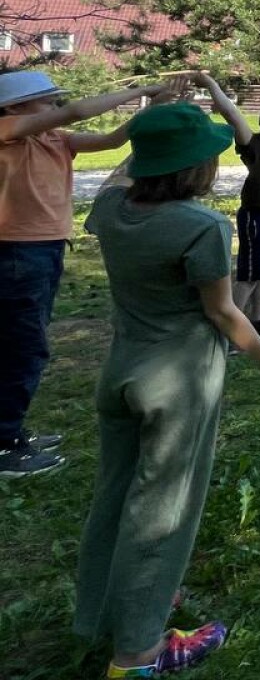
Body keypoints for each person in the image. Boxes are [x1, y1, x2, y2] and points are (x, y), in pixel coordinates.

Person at [74, 100, 260, 677]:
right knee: (164, 507)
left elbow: (122, 173)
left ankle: (109, 609)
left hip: (122, 371)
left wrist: (151, 122)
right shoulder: (202, 226)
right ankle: (137, 653)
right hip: (177, 382)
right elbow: (223, 312)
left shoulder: (111, 209)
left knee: (116, 494)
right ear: (197, 167)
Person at [0, 71, 179, 479]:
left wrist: (155, 107)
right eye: (48, 101)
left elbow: (114, 140)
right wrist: (141, 90)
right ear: (13, 107)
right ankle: (4, 444)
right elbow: (77, 111)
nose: (56, 107)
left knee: (22, 341)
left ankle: (11, 431)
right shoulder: (7, 131)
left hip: (43, 251)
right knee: (23, 348)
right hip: (15, 253)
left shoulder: (55, 140)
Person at [196, 74, 260, 341]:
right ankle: (228, 331)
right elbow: (232, 114)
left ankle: (259, 322)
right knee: (250, 275)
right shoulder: (254, 146)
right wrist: (210, 84)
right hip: (258, 215)